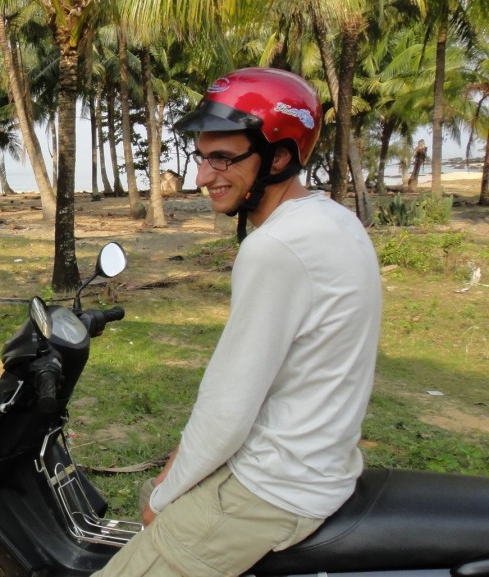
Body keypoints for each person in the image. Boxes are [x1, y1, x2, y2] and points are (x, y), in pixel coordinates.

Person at [94, 68, 383, 577]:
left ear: (278, 157)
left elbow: (227, 412)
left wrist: (163, 497)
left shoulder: (276, 247)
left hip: (269, 488)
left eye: (224, 158)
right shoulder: (332, 220)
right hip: (316, 469)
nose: (204, 176)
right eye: (202, 156)